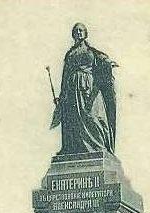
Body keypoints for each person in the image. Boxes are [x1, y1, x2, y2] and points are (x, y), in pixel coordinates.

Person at [50, 23, 117, 155]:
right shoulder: (69, 54)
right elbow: (65, 75)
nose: (79, 33)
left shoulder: (91, 51)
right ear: (73, 34)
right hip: (72, 89)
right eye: (76, 31)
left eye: (81, 30)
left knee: (92, 116)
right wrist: (61, 96)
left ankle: (98, 146)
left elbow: (103, 60)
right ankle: (73, 148)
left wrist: (108, 63)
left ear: (86, 33)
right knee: (72, 118)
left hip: (88, 87)